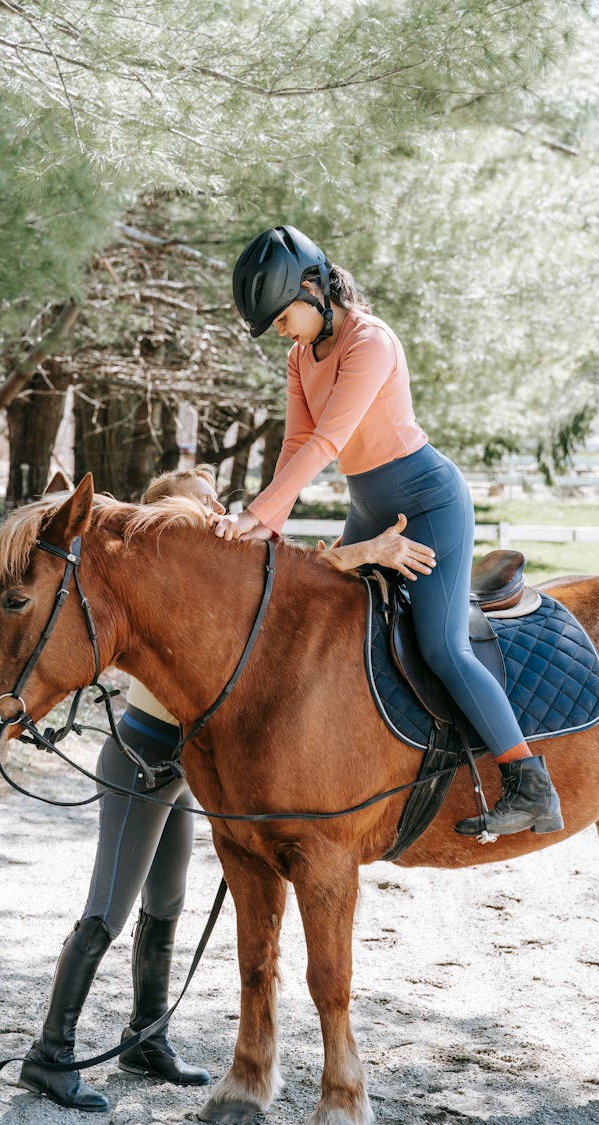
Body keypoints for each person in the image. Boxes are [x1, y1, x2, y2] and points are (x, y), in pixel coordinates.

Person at [212, 225, 563, 840]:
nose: (278, 330)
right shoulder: (301, 357)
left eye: (282, 314)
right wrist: (266, 527)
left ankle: (529, 782)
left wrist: (254, 517)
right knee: (333, 619)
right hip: (370, 503)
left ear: (314, 289)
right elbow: (295, 442)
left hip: (428, 503)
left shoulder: (370, 342)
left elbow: (327, 442)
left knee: (443, 647)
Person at [18, 466, 224, 1113]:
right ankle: (49, 1056)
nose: (213, 511)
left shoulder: (196, 579)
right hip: (139, 758)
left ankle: (146, 1037)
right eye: (199, 504)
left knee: (166, 905)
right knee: (107, 908)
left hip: (178, 764)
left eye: (213, 500)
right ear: (159, 520)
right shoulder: (153, 591)